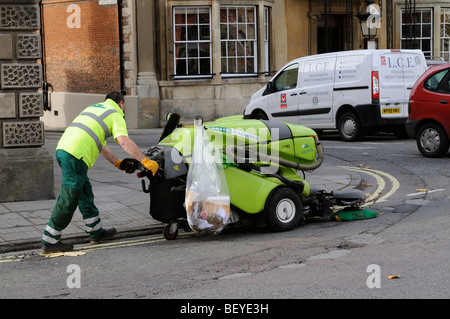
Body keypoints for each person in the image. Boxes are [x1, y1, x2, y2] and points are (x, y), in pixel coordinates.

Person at [41, 91, 159, 253]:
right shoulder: (116, 114)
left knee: (84, 193)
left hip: (64, 149)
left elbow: (101, 144)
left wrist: (118, 163)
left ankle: (95, 231)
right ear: (121, 104)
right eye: (123, 107)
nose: (123, 110)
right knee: (70, 196)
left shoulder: (96, 108)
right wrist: (145, 160)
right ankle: (50, 239)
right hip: (75, 155)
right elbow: (124, 141)